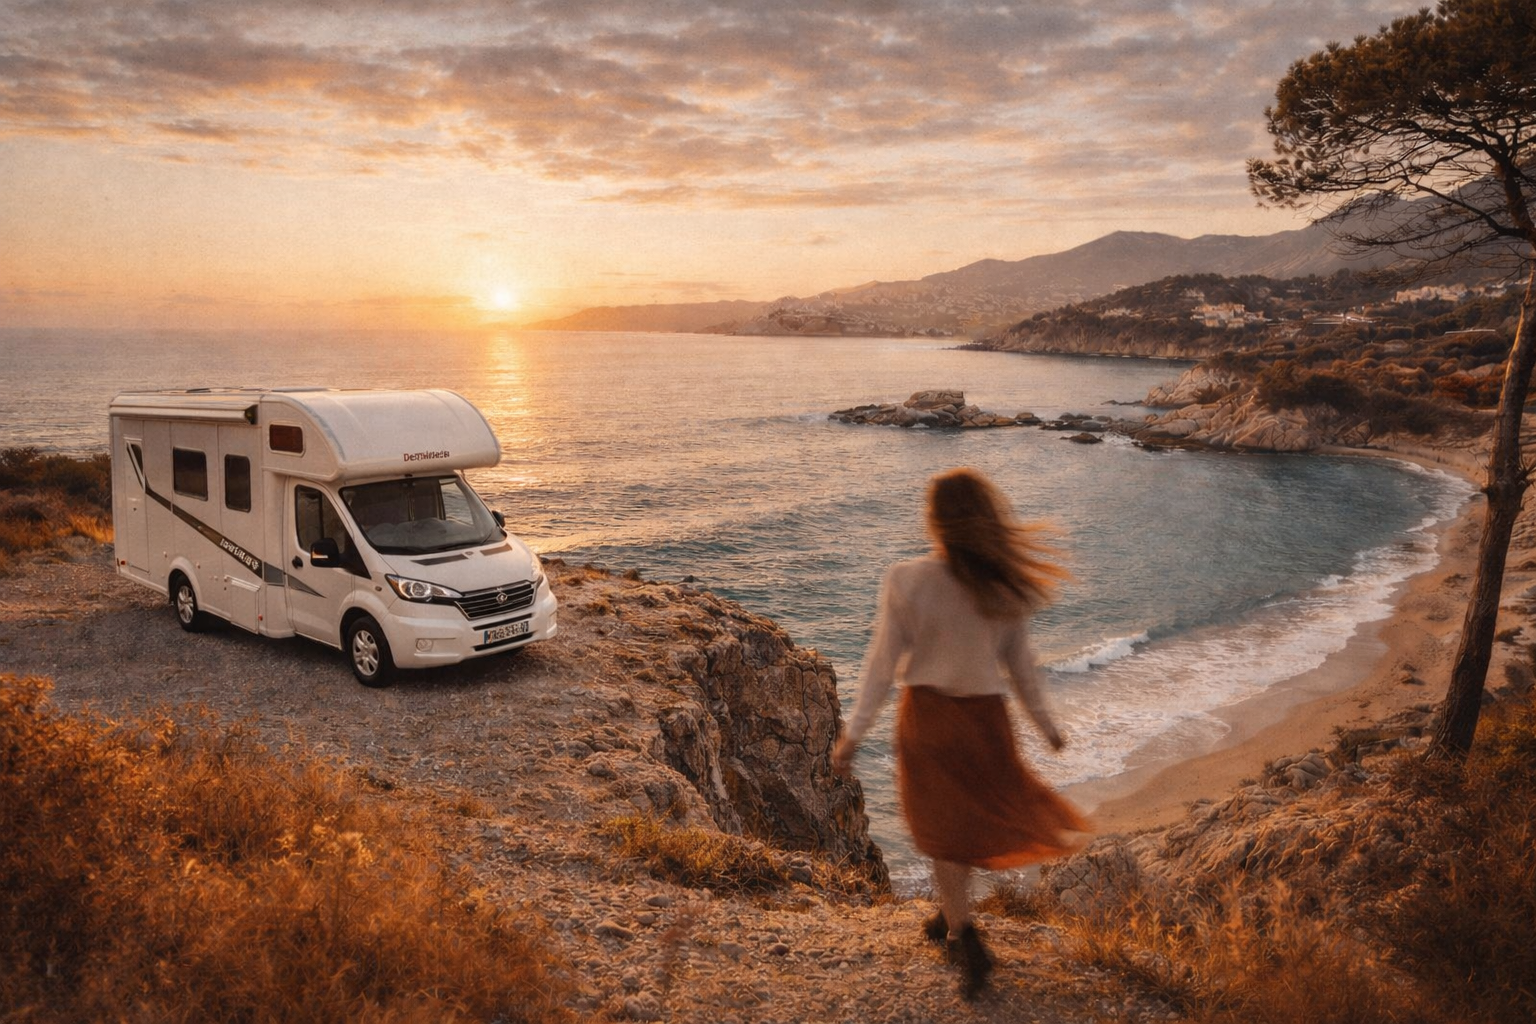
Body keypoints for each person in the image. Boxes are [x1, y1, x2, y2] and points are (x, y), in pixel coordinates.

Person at [833, 467, 1089, 1000]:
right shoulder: (1002, 585)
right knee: (962, 827)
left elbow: (882, 665)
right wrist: (1046, 726)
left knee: (941, 831)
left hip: (929, 720)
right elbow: (1023, 666)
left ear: (934, 520)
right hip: (986, 722)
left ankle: (965, 937)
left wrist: (854, 734)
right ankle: (948, 914)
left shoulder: (906, 579)